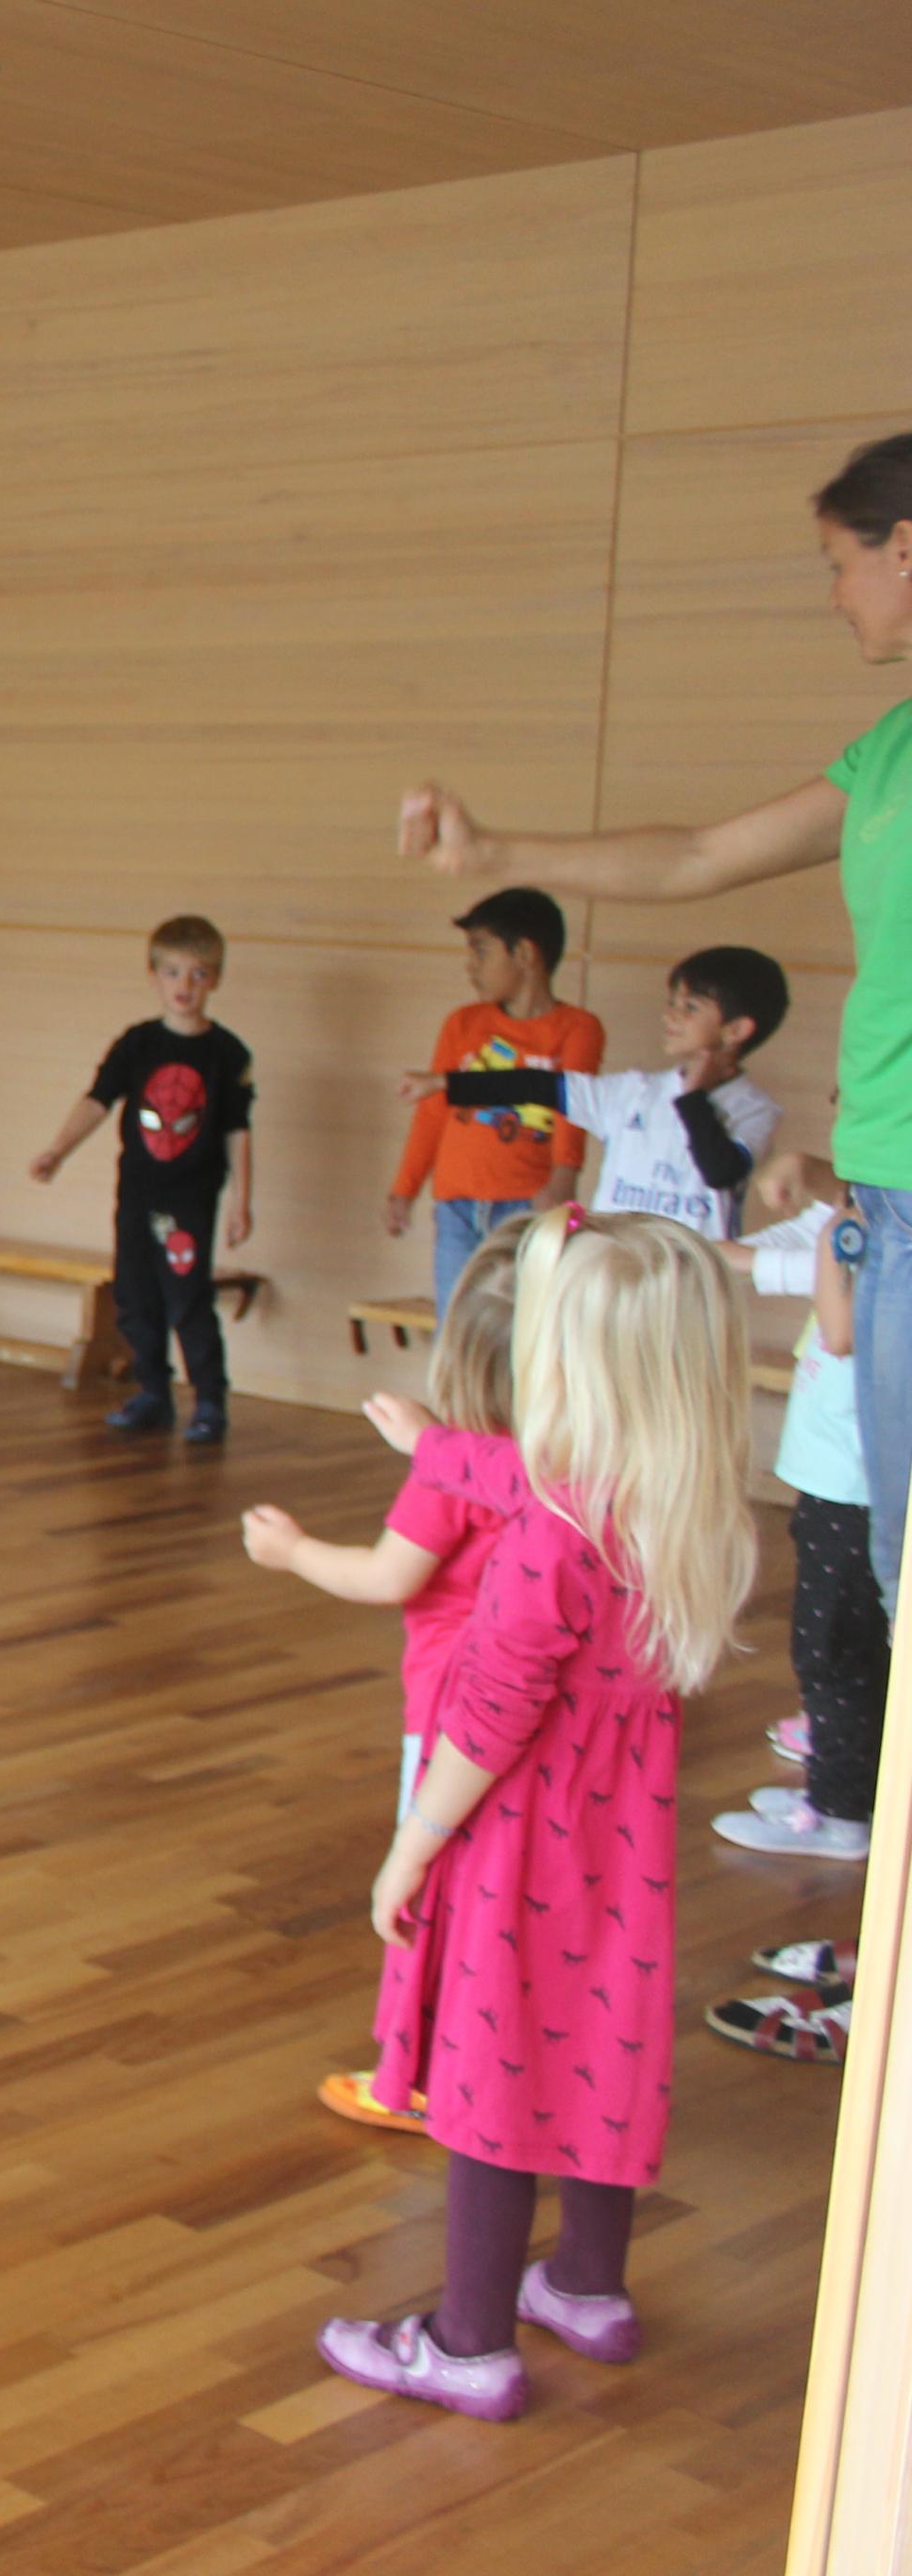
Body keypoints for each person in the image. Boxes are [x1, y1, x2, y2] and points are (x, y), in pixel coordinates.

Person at [403, 429, 912, 1602]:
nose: (832, 596)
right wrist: (496, 851)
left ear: (905, 549)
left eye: (837, 565)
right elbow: (695, 855)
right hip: (885, 1190)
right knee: (899, 1558)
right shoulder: (886, 750)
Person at [317, 1210, 753, 2422]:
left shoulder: (552, 1542)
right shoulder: (677, 1504)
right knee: (601, 2040)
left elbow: (486, 1720)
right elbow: (517, 1476)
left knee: (490, 2074)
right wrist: (432, 1444)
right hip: (624, 1843)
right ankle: (587, 2288)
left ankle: (466, 2344)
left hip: (518, 1837)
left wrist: (409, 1848)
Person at [241, 1217, 529, 2135]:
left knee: (418, 1890)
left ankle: (412, 2074)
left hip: (451, 1713)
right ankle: (505, 2063)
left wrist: (290, 1551)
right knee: (499, 1894)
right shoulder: (571, 1465)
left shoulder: (453, 1472)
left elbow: (385, 1576)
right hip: (533, 1719)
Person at [28, 914, 255, 1441]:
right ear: (153, 976)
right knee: (134, 1296)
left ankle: (209, 1401)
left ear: (216, 979)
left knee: (187, 1298)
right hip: (137, 1193)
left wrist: (242, 1202)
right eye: (173, 972)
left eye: (198, 973)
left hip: (191, 1200)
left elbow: (238, 1132)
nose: (185, 985)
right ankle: (153, 1391)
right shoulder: (136, 1044)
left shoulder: (227, 1054)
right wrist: (58, 1150)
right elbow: (97, 1101)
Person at [405, 945, 785, 1241]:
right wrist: (447, 1083)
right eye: (671, 1003)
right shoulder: (634, 1091)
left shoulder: (755, 1109)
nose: (670, 1015)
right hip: (612, 1268)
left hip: (690, 1284)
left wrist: (693, 1098)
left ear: (736, 1031)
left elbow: (720, 1172)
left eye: (690, 1007)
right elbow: (537, 1085)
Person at [710, 1202, 878, 1865]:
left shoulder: (875, 1240)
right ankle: (843, 1789)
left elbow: (840, 1333)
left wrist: (836, 1238)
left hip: (852, 1490)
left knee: (833, 1649)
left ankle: (838, 1814)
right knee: (838, 1648)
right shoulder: (871, 1228)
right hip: (831, 1484)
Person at [383, 889, 601, 1319]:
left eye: (481, 952)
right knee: (456, 1324)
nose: (471, 966)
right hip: (457, 1205)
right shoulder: (463, 1023)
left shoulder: (578, 1028)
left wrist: (564, 1176)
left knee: (520, 1326)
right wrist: (404, 1188)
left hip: (526, 1204)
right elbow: (432, 1112)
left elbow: (572, 1108)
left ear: (525, 954)